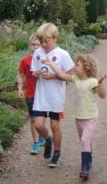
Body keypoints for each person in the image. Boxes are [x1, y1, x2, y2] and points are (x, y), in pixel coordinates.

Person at [42, 54, 106, 180]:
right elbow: (61, 75)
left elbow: (102, 95)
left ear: (86, 68)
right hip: (78, 117)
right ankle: (89, 158)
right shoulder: (75, 79)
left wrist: (101, 83)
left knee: (84, 140)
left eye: (77, 65)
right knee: (84, 140)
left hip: (91, 118)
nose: (74, 66)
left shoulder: (93, 81)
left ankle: (84, 169)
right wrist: (50, 63)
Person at [31, 23, 75, 168]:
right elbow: (34, 70)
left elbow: (71, 76)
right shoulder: (38, 53)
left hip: (56, 97)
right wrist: (36, 73)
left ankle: (56, 153)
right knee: (38, 125)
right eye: (41, 41)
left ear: (55, 38)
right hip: (41, 96)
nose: (43, 44)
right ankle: (47, 139)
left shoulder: (63, 54)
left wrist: (54, 76)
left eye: (46, 41)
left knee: (55, 125)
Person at [17, 34, 45, 155]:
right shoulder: (25, 60)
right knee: (33, 120)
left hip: (44, 94)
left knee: (42, 118)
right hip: (31, 93)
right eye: (33, 44)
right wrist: (20, 88)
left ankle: (42, 136)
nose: (36, 47)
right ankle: (36, 143)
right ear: (29, 45)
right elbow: (20, 75)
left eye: (38, 44)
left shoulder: (45, 59)